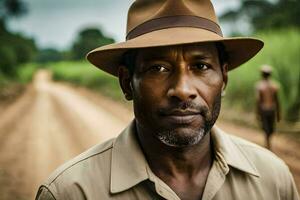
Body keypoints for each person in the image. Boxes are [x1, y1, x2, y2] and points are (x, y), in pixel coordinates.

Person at [36, 0, 299, 199]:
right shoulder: (70, 192)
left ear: (224, 79)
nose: (183, 90)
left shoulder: (273, 180)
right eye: (158, 68)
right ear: (127, 83)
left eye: (201, 66)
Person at [256, 65, 281, 150]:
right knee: (270, 128)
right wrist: (278, 113)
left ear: (262, 74)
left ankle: (267, 143)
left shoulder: (260, 86)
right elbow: (277, 101)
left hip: (264, 110)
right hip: (272, 109)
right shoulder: (275, 86)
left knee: (266, 127)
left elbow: (258, 101)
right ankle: (268, 143)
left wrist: (257, 112)